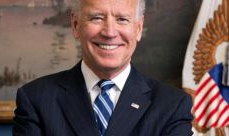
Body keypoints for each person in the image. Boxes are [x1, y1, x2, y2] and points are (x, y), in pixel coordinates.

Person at [12, 0, 193, 135]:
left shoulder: (172, 106)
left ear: (138, 28)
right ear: (76, 25)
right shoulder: (36, 99)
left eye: (122, 19)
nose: (109, 32)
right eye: (97, 18)